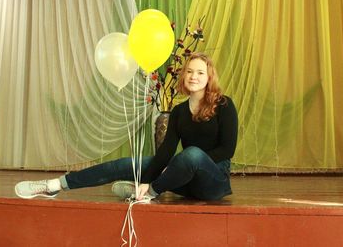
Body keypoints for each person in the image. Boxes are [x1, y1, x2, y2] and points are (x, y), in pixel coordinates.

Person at [15, 52, 238, 201]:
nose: (193, 76)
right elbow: (164, 154)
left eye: (200, 72)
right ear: (183, 75)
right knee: (129, 163)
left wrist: (170, 171)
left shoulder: (224, 105)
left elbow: (226, 150)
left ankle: (148, 192)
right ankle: (57, 185)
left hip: (214, 183)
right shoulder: (179, 112)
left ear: (209, 77)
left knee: (191, 155)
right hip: (184, 182)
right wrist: (165, 169)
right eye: (189, 71)